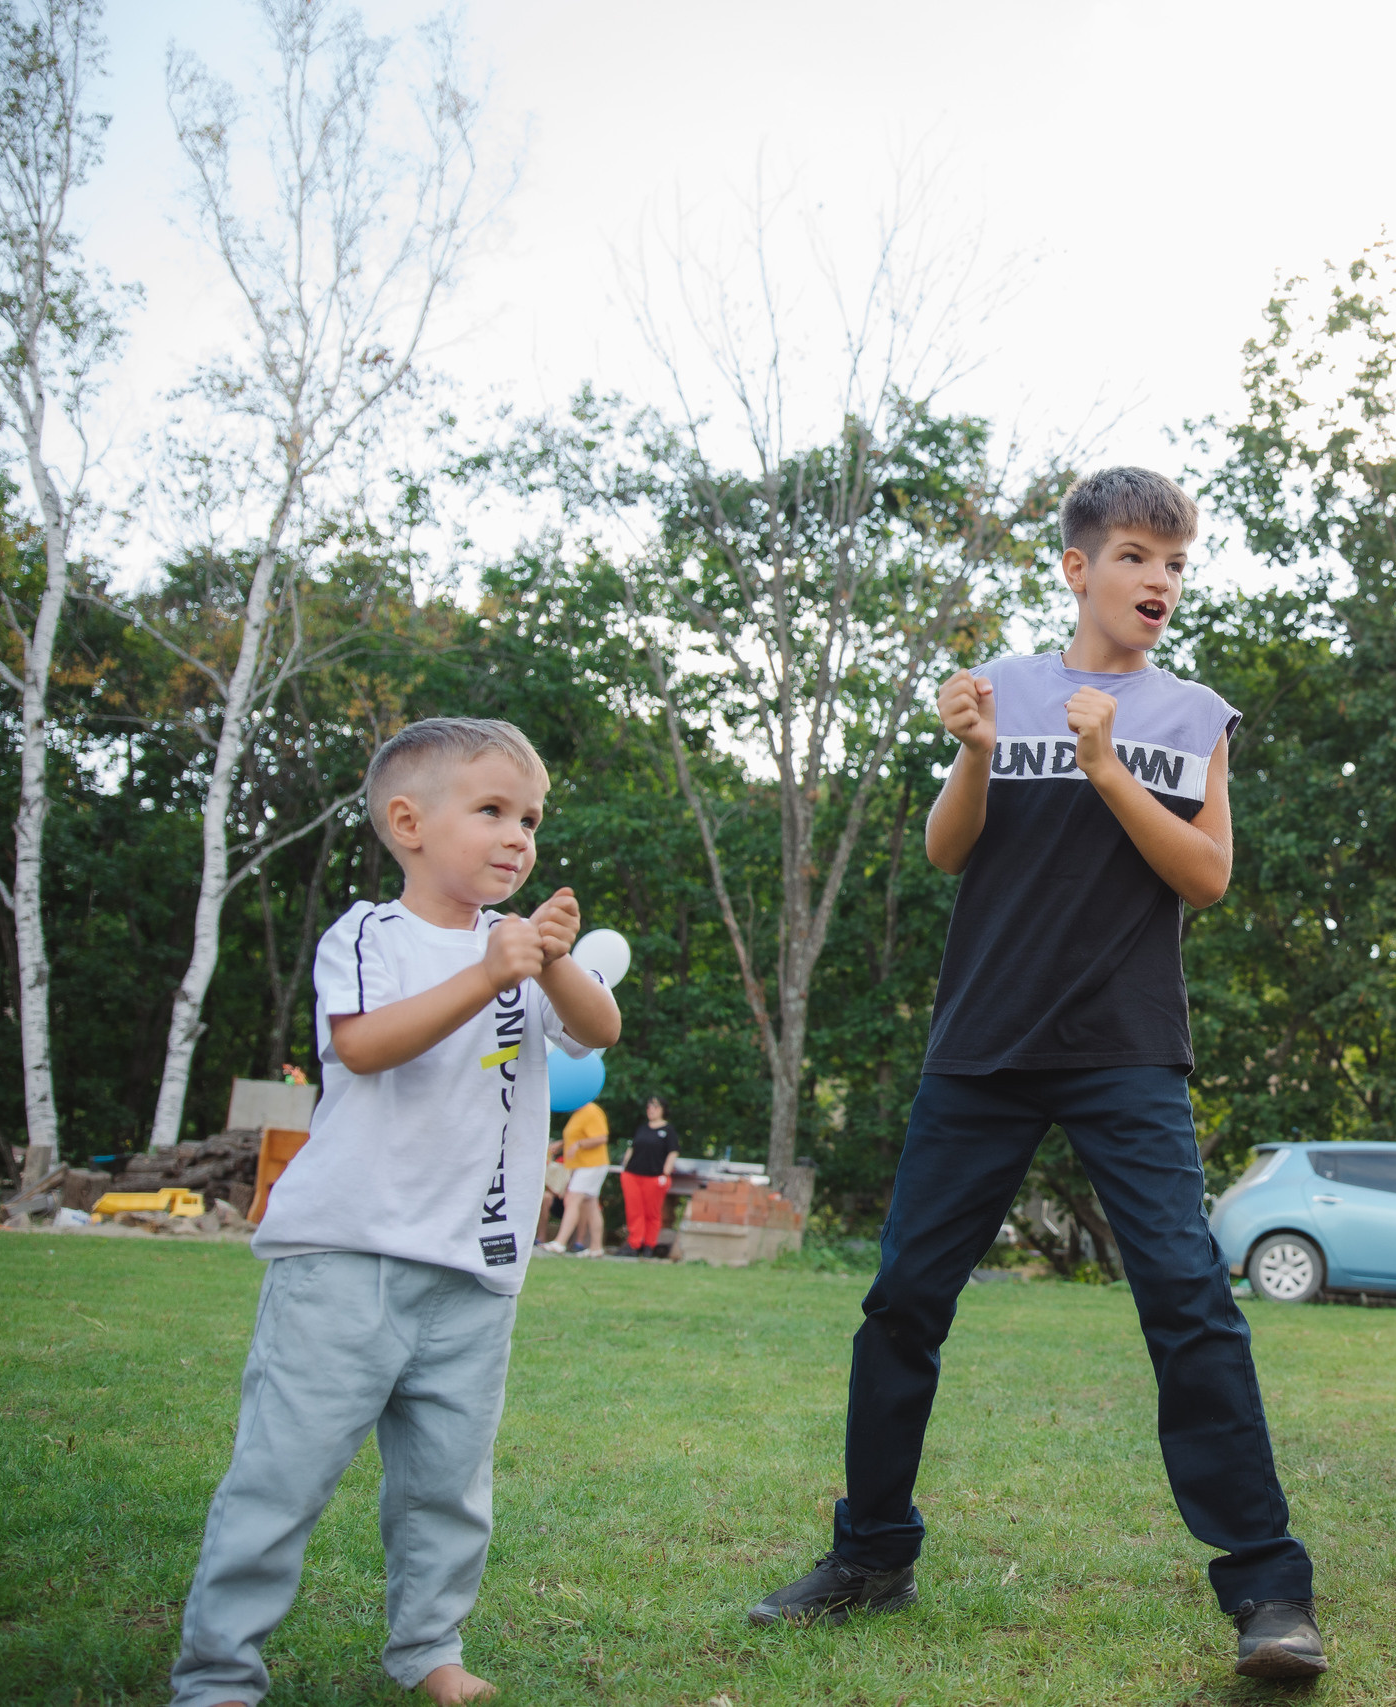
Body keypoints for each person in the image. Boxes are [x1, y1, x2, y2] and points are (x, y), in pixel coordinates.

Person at [748, 468, 1324, 1680]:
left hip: (1126, 1052)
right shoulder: (999, 691)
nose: (1158, 581)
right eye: (1133, 557)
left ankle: (1268, 1592)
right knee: (904, 1300)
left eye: (1173, 562)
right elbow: (949, 848)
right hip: (983, 1050)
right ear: (1076, 569)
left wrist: (1111, 769)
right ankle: (870, 1556)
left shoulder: (1195, 714)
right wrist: (973, 752)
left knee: (1189, 1304)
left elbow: (1207, 880)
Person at [168, 717, 622, 1707]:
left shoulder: (522, 954)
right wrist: (489, 972)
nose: (519, 837)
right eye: (493, 810)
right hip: (347, 1262)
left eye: (532, 819)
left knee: (446, 1489)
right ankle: (216, 1675)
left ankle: (430, 1650)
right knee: (280, 1480)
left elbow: (601, 1026)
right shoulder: (371, 935)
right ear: (408, 823)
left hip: (476, 1272)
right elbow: (366, 1048)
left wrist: (545, 961)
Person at [543, 1098, 609, 1256]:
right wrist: (562, 1144)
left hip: (591, 1164)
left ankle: (560, 1242)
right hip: (583, 1165)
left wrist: (579, 1145)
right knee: (590, 1204)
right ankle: (596, 1247)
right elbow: (576, 1136)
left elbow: (601, 1138)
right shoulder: (578, 1113)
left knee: (572, 1199)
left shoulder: (591, 1111)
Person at [620, 1098, 679, 1258]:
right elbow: (632, 1148)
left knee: (652, 1212)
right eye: (649, 1106)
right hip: (633, 1174)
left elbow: (672, 1152)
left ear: (663, 1109)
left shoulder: (668, 1131)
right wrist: (624, 1166)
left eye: (655, 1106)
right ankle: (634, 1243)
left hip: (654, 1177)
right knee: (634, 1211)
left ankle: (649, 1244)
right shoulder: (642, 1128)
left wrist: (665, 1174)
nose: (651, 1109)